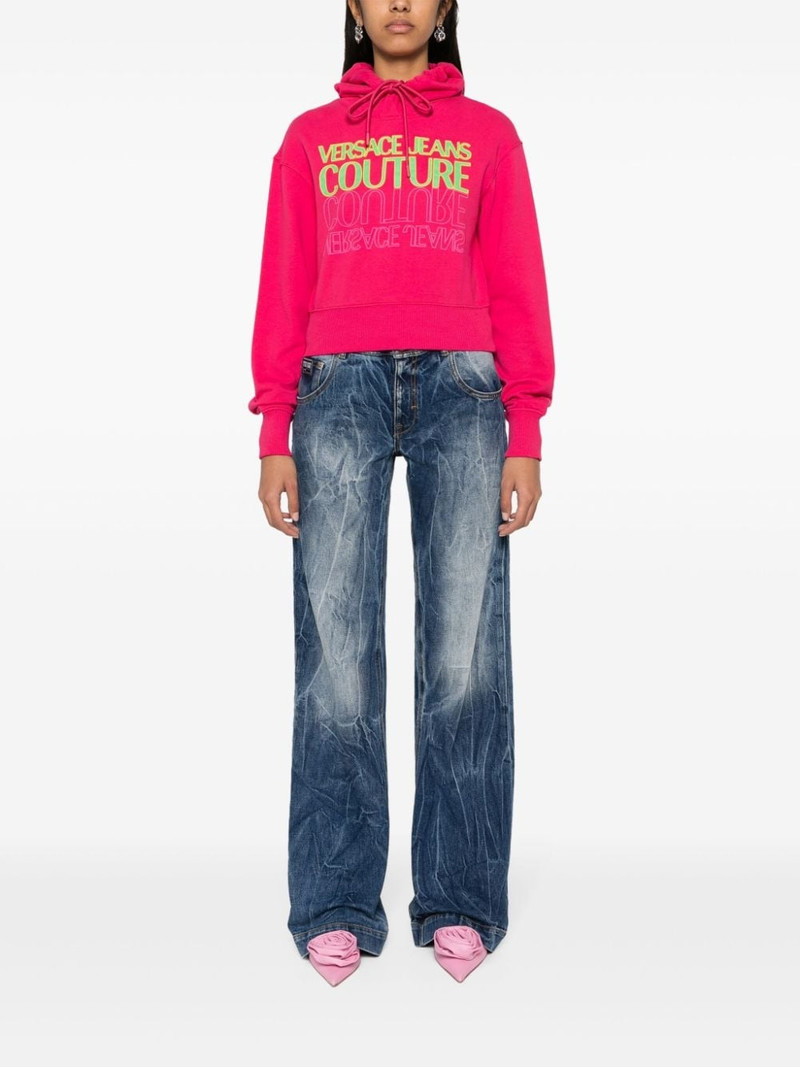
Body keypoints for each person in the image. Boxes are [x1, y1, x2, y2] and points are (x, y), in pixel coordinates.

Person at [248, 0, 555, 986]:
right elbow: (283, 279)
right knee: (337, 658)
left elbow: (517, 280)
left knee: (463, 654)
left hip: (464, 392)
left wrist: (525, 427)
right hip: (333, 391)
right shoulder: (309, 139)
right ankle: (335, 899)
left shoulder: (488, 136)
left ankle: (458, 896)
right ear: (351, 5)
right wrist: (273, 427)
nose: (396, 3)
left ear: (445, 7)